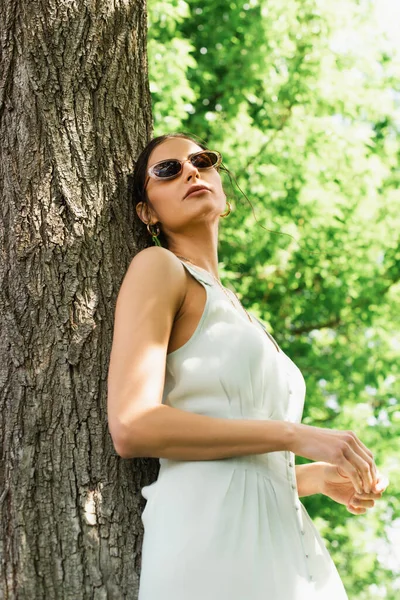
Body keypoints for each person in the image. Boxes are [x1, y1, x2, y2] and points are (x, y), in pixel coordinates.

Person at [107, 133, 389, 600]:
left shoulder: (244, 315)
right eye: (168, 169)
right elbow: (132, 426)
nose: (191, 171)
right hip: (206, 545)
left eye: (202, 160)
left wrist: (313, 477)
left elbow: (243, 470)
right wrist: (293, 435)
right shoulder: (159, 267)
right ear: (147, 212)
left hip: (292, 548)